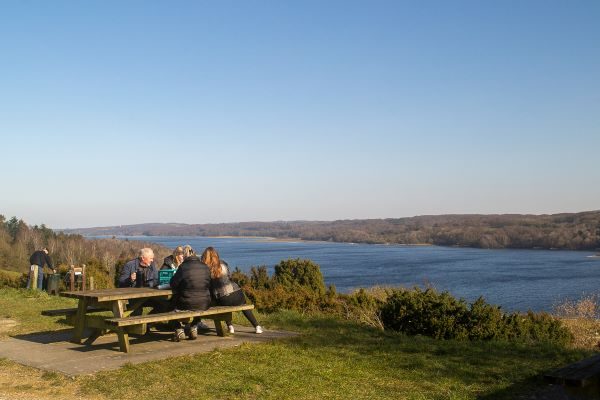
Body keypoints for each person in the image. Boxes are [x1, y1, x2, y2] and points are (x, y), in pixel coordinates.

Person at [202, 246, 263, 334]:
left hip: (222, 298)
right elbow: (229, 277)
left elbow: (209, 287)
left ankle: (230, 326)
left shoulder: (205, 269)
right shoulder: (223, 264)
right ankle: (257, 326)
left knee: (220, 302)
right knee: (243, 304)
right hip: (236, 294)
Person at [169, 245, 212, 341]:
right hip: (205, 303)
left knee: (168, 306)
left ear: (184, 256)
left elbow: (173, 284)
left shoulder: (183, 267)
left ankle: (178, 329)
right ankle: (194, 325)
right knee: (197, 305)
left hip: (186, 303)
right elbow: (209, 283)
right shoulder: (205, 267)